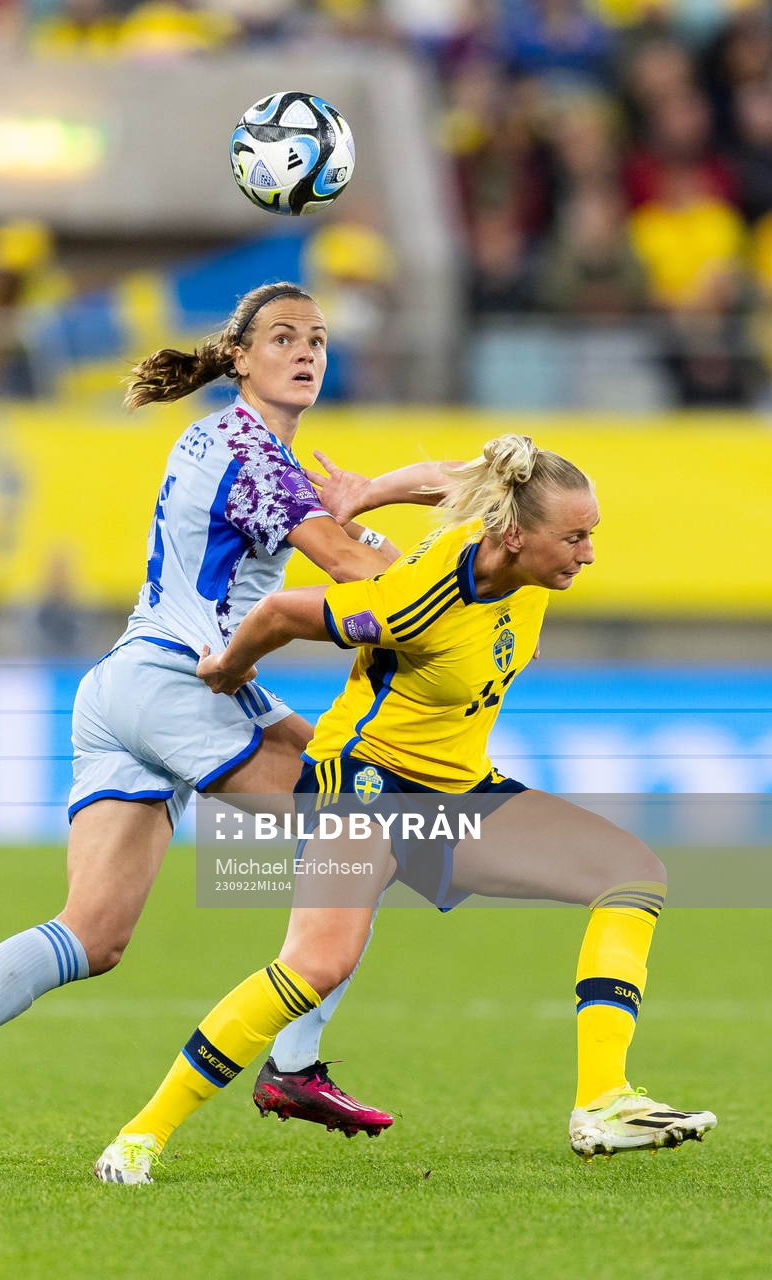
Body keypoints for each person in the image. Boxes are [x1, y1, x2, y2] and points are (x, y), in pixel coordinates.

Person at [0, 281, 457, 1174]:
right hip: (181, 685)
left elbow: (325, 552)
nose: (306, 351)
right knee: (366, 823)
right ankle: (290, 1065)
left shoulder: (224, 441)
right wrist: (428, 543)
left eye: (317, 339)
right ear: (240, 356)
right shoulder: (257, 457)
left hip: (124, 687)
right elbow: (356, 574)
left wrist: (370, 505)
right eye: (283, 337)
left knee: (93, 934)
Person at [95, 432, 717, 1184]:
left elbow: (449, 478)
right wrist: (228, 667)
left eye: (592, 535)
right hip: (367, 787)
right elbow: (288, 611)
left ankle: (602, 1102)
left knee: (633, 874)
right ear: (516, 538)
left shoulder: (510, 536)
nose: (588, 554)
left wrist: (364, 493)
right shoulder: (415, 605)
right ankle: (139, 1136)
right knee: (316, 965)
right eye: (575, 538)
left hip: (459, 790)